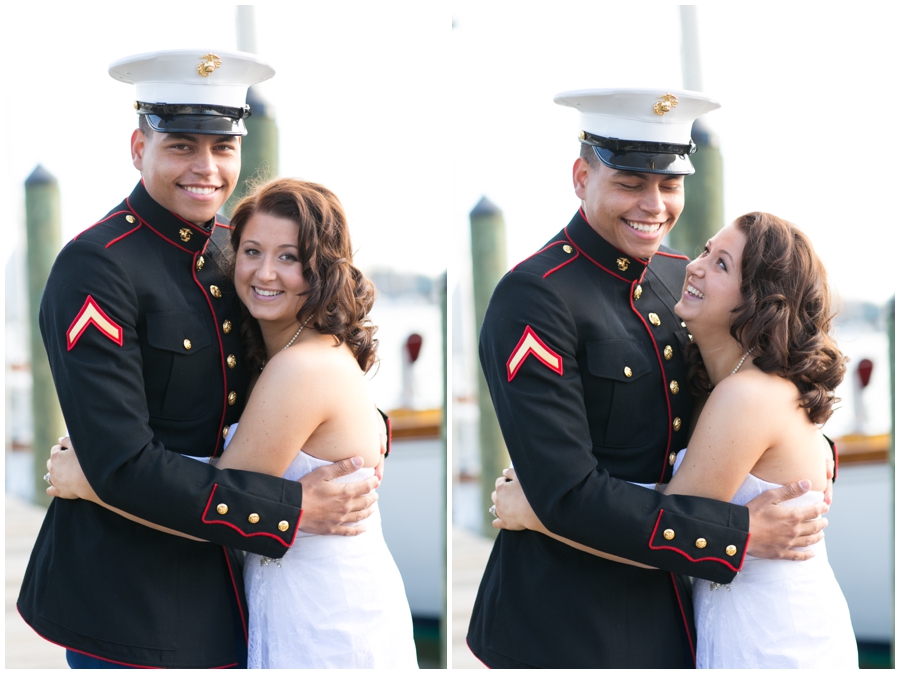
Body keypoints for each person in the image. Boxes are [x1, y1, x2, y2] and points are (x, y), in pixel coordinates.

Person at [19, 50, 383, 669]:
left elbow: (314, 369)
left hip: (239, 592)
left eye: (222, 146)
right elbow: (122, 463)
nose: (207, 168)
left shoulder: (237, 252)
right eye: (182, 145)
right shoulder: (97, 269)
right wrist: (292, 509)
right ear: (140, 147)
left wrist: (362, 444)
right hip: (129, 603)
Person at [466, 88, 834, 668]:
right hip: (570, 624)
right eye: (630, 183)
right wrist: (739, 533)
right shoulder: (536, 297)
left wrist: (806, 463)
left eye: (669, 184)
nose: (654, 205)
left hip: (687, 616)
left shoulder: (680, 277)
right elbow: (565, 492)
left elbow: (765, 389)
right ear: (581, 175)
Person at [48, 178, 420, 668]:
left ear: (323, 269)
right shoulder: (290, 350)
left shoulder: (300, 367)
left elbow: (213, 506)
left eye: (290, 256)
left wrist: (95, 478)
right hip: (285, 597)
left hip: (326, 613)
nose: (266, 272)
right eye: (251, 251)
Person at [493, 211, 858, 668]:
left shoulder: (745, 396)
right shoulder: (732, 386)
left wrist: (540, 511)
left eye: (722, 264)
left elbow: (665, 533)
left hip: (774, 636)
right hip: (739, 620)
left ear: (760, 302)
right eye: (706, 250)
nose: (694, 266)